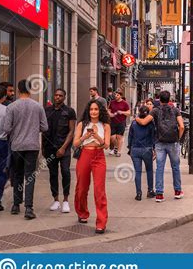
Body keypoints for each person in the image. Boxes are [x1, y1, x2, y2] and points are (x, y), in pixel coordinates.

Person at [3, 79, 48, 220]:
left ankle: (16, 205)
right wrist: (33, 129)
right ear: (30, 90)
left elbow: (6, 128)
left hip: (17, 146)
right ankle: (29, 208)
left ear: (18, 90)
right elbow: (45, 127)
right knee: (30, 176)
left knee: (17, 175)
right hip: (32, 146)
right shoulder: (38, 106)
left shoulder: (11, 107)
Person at [136, 90, 184, 202]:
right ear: (169, 99)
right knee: (175, 167)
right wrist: (178, 138)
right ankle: (177, 191)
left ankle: (159, 194)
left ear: (159, 100)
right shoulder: (176, 110)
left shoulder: (155, 111)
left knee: (159, 168)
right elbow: (181, 126)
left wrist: (136, 118)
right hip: (173, 142)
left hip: (160, 142)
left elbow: (143, 122)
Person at [73, 100, 111, 234]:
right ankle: (82, 212)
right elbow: (76, 143)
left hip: (99, 156)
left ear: (100, 111)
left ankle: (101, 222)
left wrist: (97, 137)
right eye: (91, 109)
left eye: (96, 109)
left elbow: (106, 145)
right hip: (84, 154)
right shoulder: (82, 124)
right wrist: (86, 136)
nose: (93, 112)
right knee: (82, 188)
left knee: (99, 190)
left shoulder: (105, 125)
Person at [42, 89, 76, 213]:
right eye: (56, 95)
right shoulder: (46, 111)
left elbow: (72, 131)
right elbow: (43, 130)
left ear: (64, 97)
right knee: (53, 174)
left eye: (60, 96)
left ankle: (66, 200)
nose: (57, 97)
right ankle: (56, 200)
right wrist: (43, 148)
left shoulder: (69, 111)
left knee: (66, 172)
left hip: (64, 148)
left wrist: (63, 148)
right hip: (49, 148)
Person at [128, 105, 156, 200]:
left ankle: (138, 193)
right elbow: (153, 137)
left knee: (137, 172)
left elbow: (130, 137)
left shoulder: (134, 123)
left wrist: (130, 148)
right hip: (147, 149)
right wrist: (154, 149)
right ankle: (150, 191)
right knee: (149, 170)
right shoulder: (151, 124)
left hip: (135, 149)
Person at [108, 90, 130, 157]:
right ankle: (116, 147)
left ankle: (119, 152)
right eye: (115, 95)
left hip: (121, 122)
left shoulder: (125, 103)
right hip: (113, 121)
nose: (116, 96)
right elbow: (108, 110)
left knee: (119, 137)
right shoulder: (112, 102)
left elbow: (129, 113)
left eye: (117, 95)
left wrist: (122, 112)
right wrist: (110, 114)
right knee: (112, 137)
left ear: (120, 96)